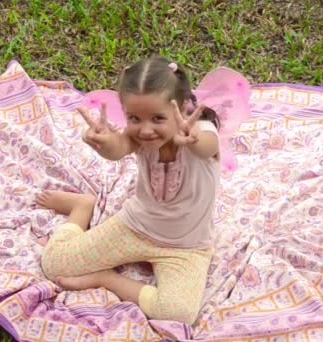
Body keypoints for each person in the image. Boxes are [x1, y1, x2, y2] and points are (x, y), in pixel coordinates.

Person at [36, 56, 220, 325]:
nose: (146, 130)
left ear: (181, 107)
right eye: (134, 118)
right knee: (54, 265)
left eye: (158, 118)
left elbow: (208, 146)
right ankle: (81, 207)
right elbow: (117, 149)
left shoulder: (202, 130)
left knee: (178, 313)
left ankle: (106, 278)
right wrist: (102, 141)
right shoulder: (138, 135)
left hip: (186, 247)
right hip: (135, 227)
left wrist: (192, 141)